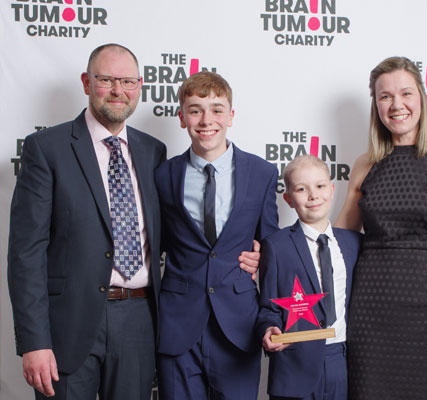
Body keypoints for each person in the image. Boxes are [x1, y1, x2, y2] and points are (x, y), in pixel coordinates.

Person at [7, 43, 167, 399]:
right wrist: (34, 341)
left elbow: (171, 235)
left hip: (139, 320)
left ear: (139, 85)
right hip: (68, 324)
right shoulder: (46, 148)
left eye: (126, 81)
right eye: (106, 79)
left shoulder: (153, 152)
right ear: (86, 82)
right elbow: (26, 253)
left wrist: (244, 251)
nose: (117, 91)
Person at [334, 56, 427, 399]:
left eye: (405, 93)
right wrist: (281, 248)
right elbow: (338, 240)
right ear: (376, 105)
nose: (396, 105)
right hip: (372, 312)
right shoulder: (365, 164)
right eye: (385, 96)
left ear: (422, 98)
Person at [155, 71, 279, 399]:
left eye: (217, 109)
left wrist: (264, 258)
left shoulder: (262, 173)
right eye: (195, 110)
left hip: (238, 325)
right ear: (181, 118)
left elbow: (271, 247)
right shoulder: (163, 175)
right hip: (178, 326)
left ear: (231, 116)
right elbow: (154, 244)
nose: (206, 119)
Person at [257, 155, 362, 400]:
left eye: (320, 186)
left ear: (332, 189)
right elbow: (268, 308)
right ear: (289, 199)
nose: (313, 196)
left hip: (343, 362)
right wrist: (268, 328)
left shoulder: (354, 243)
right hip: (295, 365)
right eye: (301, 189)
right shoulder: (276, 246)